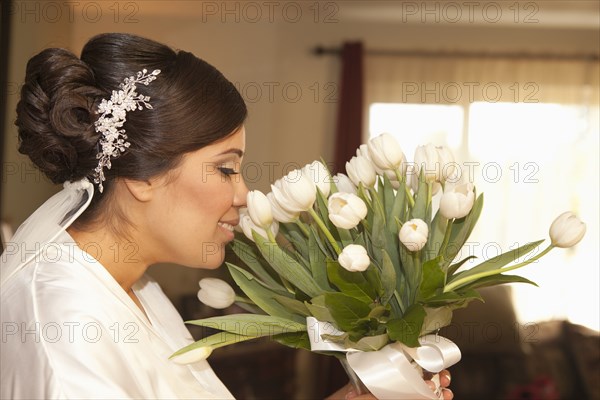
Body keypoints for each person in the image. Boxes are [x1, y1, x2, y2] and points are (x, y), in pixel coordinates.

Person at [0, 33, 452, 399]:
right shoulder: (65, 328)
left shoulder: (135, 286)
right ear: (141, 176)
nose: (243, 194)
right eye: (225, 168)